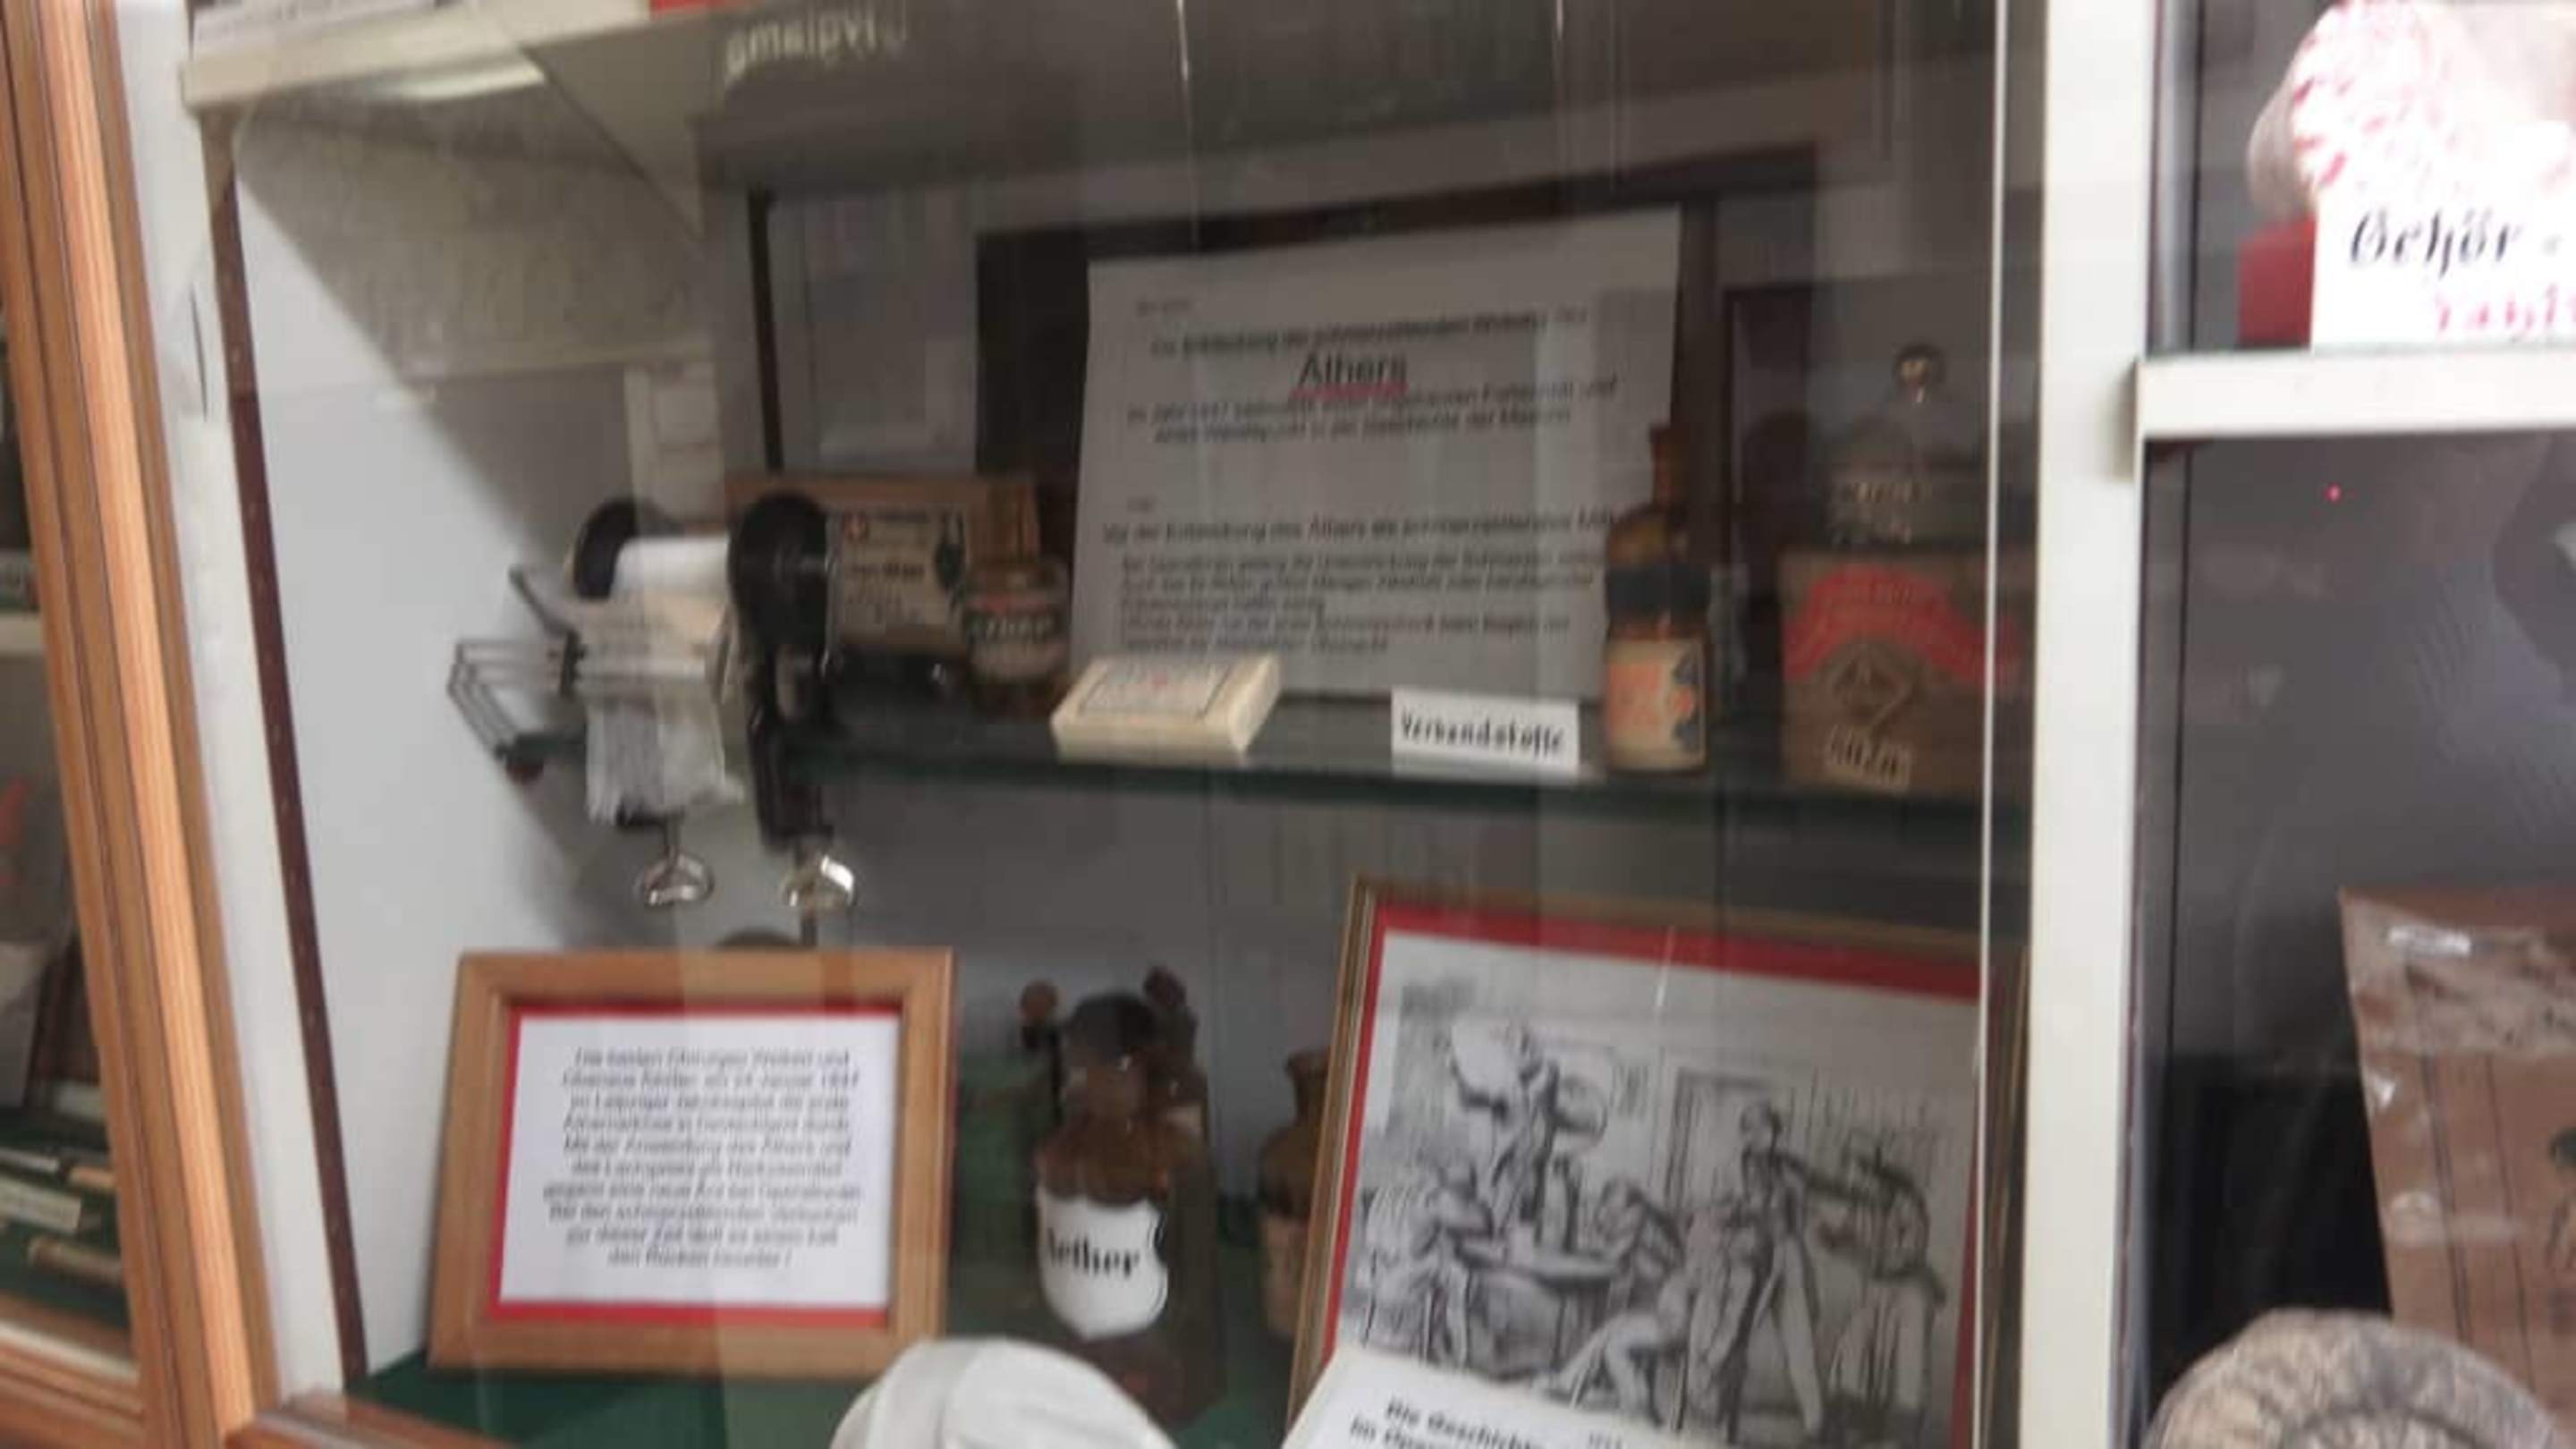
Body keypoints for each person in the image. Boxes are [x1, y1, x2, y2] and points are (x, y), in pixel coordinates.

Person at [1542, 1196, 1767, 1429]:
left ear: (1726, 1236)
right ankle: (1568, 1382)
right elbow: (1681, 1277)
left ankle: (1638, 1406)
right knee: (1615, 1324)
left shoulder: (1732, 1271)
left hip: (1678, 1328)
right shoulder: (1713, 1260)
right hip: (1671, 1318)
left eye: (1704, 1228)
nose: (1695, 1234)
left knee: (1615, 1345)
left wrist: (1711, 1355)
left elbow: (1723, 1317)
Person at [1823, 1150, 1945, 1449]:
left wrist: (1863, 1253)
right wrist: (1834, 1240)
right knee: (1853, 1351)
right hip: (1878, 1289)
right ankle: (1855, 1429)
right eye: (1853, 1179)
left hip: (1910, 1294)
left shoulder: (1909, 1206)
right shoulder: (1863, 1205)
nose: (1856, 1184)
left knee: (1905, 1366)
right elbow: (1848, 1239)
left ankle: (1897, 1438)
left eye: (1862, 1177)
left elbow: (1907, 1255)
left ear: (1878, 1176)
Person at [1451, 1026, 1606, 1233]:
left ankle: (1510, 1219)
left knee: (1514, 1177)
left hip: (1523, 1139)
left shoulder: (1543, 1078)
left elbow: (1527, 1100)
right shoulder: (1534, 1080)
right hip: (1519, 1133)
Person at [1738, 1100, 1832, 1440]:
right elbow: (1749, 1207)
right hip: (1754, 1254)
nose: (1755, 1134)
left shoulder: (1789, 1167)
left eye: (1762, 1127)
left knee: (1798, 1341)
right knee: (1734, 1332)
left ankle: (1815, 1422)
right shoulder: (1745, 1163)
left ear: (1774, 1131)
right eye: (1748, 1128)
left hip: (1785, 1255)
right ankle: (1722, 1408)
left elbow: (1803, 1204)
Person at [1367, 1157, 1495, 1368]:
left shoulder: (1388, 1189)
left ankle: (1436, 1339)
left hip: (1374, 1274)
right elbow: (1482, 1223)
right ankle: (1458, 1352)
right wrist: (1474, 1202)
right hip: (1399, 1282)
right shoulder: (1432, 1197)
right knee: (1460, 1275)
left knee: (1441, 1261)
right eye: (1462, 1188)